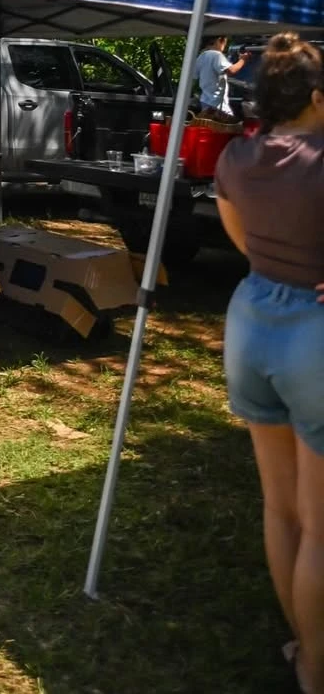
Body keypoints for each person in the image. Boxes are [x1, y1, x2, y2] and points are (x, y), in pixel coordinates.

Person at [214, 34, 324, 694]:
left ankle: (302, 644)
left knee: (280, 508)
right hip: (314, 337)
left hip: (251, 321)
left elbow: (242, 239)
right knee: (320, 525)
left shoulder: (236, 156)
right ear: (316, 99)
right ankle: (316, 667)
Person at [196, 34, 248, 121]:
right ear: (219, 40)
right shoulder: (216, 55)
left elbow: (195, 75)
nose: (224, 46)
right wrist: (243, 59)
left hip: (205, 101)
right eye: (225, 43)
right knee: (230, 125)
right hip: (217, 104)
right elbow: (231, 70)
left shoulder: (201, 56)